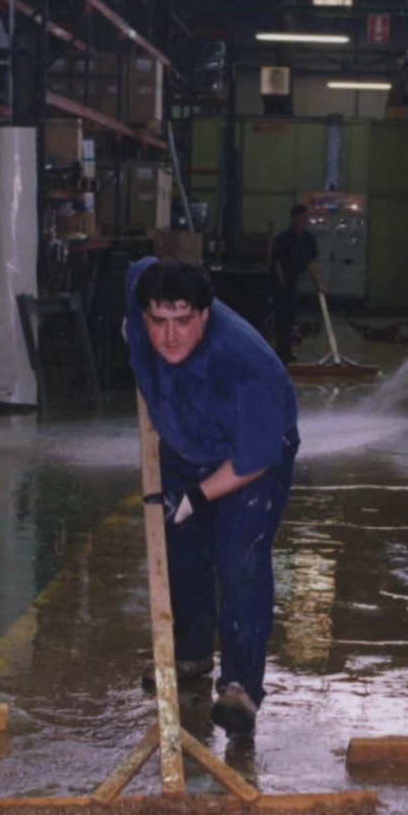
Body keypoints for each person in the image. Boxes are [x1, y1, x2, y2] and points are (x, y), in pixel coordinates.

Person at [126, 257, 299, 741]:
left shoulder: (245, 362)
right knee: (182, 554)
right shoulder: (141, 306)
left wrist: (198, 497)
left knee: (239, 559)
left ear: (206, 313)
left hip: (250, 456)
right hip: (184, 440)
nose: (169, 336)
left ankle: (241, 687)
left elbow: (255, 458)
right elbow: (141, 267)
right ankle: (192, 651)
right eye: (157, 322)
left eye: (183, 321)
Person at [268, 203, 319, 363]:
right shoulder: (283, 238)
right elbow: (278, 263)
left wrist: (318, 284)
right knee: (281, 316)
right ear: (293, 219)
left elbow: (312, 262)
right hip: (280, 280)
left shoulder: (308, 239)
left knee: (290, 316)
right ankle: (279, 352)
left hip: (294, 279)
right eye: (299, 217)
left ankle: (285, 350)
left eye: (305, 217)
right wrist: (282, 286)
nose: (302, 221)